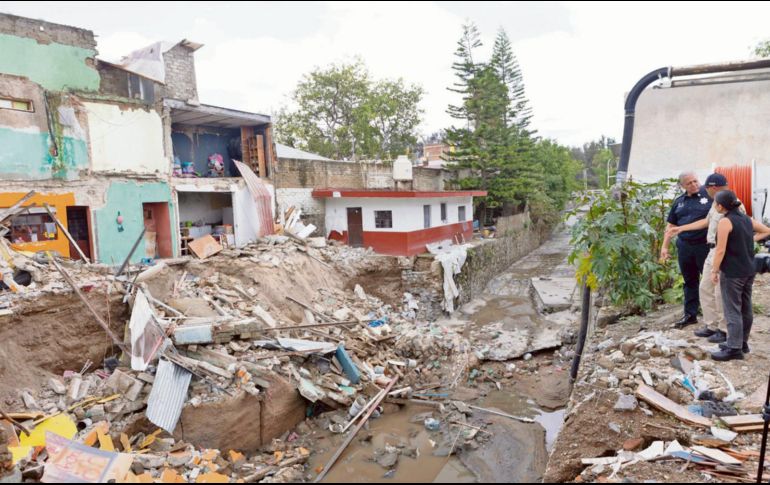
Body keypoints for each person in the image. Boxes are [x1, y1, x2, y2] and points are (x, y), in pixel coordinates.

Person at [668, 174, 770, 342]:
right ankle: (711, 325)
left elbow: (746, 226)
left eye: (704, 187)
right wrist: (681, 228)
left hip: (724, 253)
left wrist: (744, 240)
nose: (701, 189)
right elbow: (707, 221)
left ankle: (724, 330)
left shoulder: (732, 205)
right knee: (704, 288)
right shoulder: (716, 203)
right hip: (712, 250)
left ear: (712, 188)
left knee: (720, 293)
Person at [661, 172, 712, 328]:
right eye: (689, 183)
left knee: (710, 281)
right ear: (682, 186)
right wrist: (664, 246)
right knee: (689, 281)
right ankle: (690, 315)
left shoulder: (709, 196)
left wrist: (681, 228)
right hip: (685, 246)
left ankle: (714, 318)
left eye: (695, 181)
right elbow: (671, 226)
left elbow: (709, 220)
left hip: (704, 245)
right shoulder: (679, 202)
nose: (694, 184)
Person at [709, 190, 756, 361]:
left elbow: (720, 249)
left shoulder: (725, 221)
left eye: (715, 203)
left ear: (720, 206)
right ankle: (741, 342)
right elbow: (764, 232)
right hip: (749, 269)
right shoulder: (746, 218)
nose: (714, 205)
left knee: (732, 310)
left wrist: (714, 270)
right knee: (745, 307)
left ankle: (734, 348)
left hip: (733, 272)